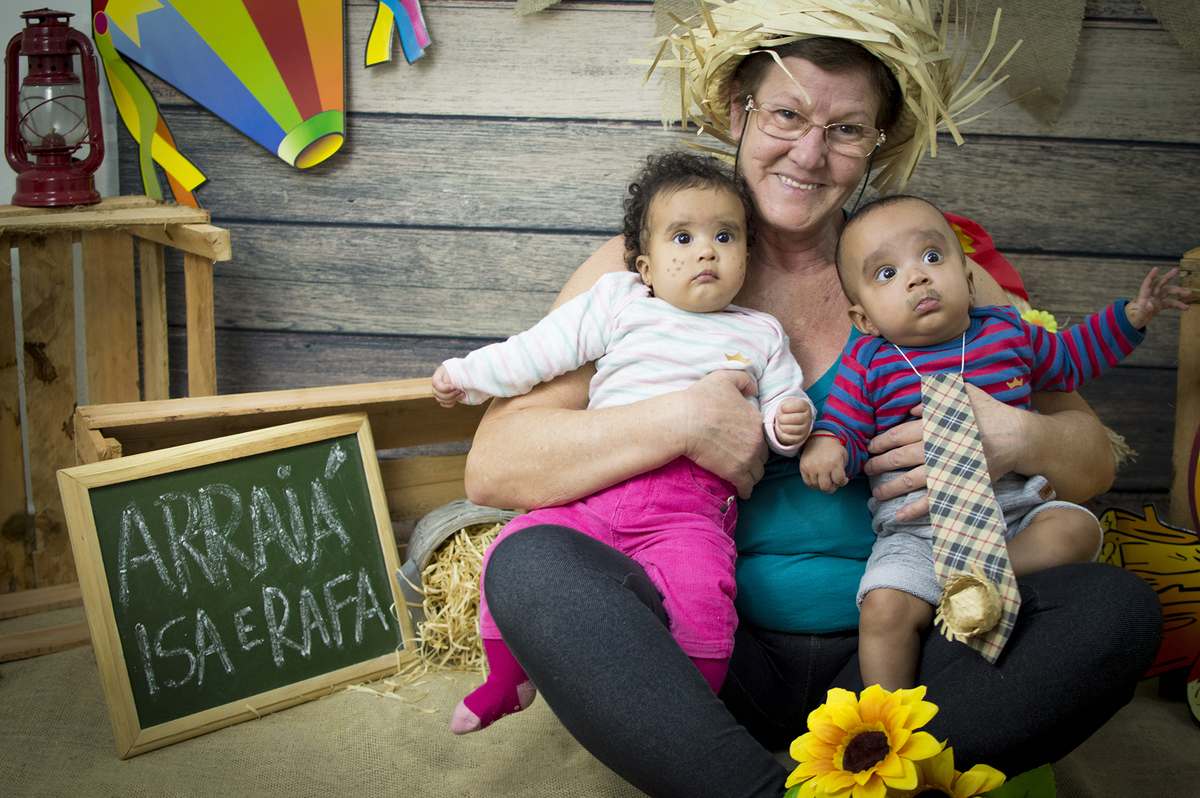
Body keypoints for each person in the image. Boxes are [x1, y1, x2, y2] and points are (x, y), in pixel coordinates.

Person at [460, 2, 1165, 795]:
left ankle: (878, 766)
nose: (809, 153)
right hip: (708, 649)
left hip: (916, 645)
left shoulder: (927, 272)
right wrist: (682, 419)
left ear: (877, 143)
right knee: (531, 561)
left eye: (846, 129)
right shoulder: (648, 269)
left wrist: (1012, 436)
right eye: (786, 115)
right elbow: (494, 466)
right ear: (739, 112)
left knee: (1116, 609)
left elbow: (1094, 464)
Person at [431, 150, 815, 734]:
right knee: (517, 547)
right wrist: (468, 375)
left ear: (746, 255)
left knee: (704, 594)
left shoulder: (760, 333)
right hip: (599, 489)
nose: (706, 251)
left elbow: (781, 410)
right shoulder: (620, 302)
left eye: (725, 236)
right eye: (682, 237)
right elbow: (538, 351)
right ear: (646, 266)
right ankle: (506, 680)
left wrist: (790, 422)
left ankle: (692, 722)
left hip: (689, 511)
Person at [799, 194, 1189, 691]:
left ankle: (986, 577)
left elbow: (1070, 359)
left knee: (1075, 528)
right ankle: (888, 719)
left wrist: (1131, 317)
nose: (916, 277)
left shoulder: (1005, 332)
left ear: (968, 282)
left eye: (932, 257)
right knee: (882, 610)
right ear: (865, 320)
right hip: (920, 533)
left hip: (1015, 510)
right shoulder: (870, 362)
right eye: (887, 273)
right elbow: (846, 427)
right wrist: (828, 447)